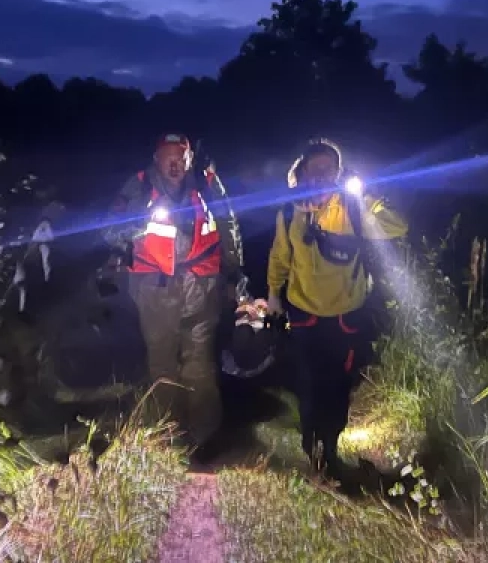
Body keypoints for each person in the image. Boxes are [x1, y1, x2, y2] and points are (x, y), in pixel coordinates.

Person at [266, 138, 408, 477]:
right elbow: (280, 257)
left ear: (338, 173)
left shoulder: (352, 209)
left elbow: (399, 226)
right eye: (314, 169)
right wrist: (273, 295)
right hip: (305, 314)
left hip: (346, 314)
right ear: (301, 173)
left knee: (340, 385)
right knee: (309, 384)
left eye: (329, 169)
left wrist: (366, 198)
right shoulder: (289, 212)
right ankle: (313, 450)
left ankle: (330, 447)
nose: (321, 176)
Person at [104, 133, 246, 460]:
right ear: (156, 159)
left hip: (201, 285)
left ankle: (205, 438)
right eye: (168, 155)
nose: (174, 163)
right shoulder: (138, 187)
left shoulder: (208, 184)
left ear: (190, 159)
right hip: (153, 288)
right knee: (162, 362)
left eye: (181, 156)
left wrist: (235, 274)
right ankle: (168, 435)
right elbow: (109, 230)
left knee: (199, 364)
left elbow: (228, 225)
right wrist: (139, 219)